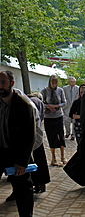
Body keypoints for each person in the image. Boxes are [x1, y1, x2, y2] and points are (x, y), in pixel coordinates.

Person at [0, 70, 35, 217]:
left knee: (23, 191)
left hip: (17, 155)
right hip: (0, 151)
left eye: (3, 83)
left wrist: (23, 162)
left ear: (12, 84)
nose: (0, 86)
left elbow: (29, 136)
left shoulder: (23, 104)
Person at [41, 75, 67, 166]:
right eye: (52, 83)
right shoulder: (44, 91)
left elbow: (64, 102)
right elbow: (41, 102)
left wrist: (56, 106)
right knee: (51, 136)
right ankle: (53, 158)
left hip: (58, 116)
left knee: (60, 136)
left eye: (55, 83)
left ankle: (63, 156)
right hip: (48, 117)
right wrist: (48, 106)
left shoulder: (60, 90)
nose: (54, 85)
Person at [28, 93, 50, 193]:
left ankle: (37, 184)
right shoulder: (36, 102)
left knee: (35, 162)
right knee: (39, 162)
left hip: (33, 136)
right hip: (36, 136)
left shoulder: (30, 103)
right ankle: (40, 184)